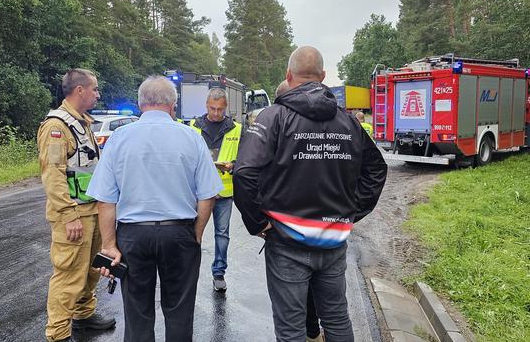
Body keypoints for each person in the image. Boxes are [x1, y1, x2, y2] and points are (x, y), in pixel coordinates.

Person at [233, 46, 388, 342]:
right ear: (323, 77)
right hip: (333, 241)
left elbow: (244, 172)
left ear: (288, 75)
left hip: (286, 241)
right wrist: (351, 212)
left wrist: (258, 223)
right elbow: (377, 169)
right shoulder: (348, 121)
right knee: (337, 318)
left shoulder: (273, 117)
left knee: (292, 329)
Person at [87, 76, 222, 342]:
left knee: (137, 314)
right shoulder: (192, 138)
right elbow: (208, 195)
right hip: (179, 233)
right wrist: (196, 233)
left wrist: (110, 245)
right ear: (173, 105)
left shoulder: (119, 139)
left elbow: (105, 199)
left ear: (140, 104)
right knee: (180, 312)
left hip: (133, 237)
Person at [37, 69, 115, 342]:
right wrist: (68, 214)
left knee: (91, 269)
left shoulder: (81, 123)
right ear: (79, 90)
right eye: (94, 89)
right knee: (69, 274)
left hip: (91, 209)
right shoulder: (56, 127)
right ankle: (57, 334)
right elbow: (53, 175)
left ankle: (84, 315)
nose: (98, 94)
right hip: (74, 213)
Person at [276, 79, 322, 342]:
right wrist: (350, 213)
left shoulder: (278, 125)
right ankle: (313, 332)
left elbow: (252, 176)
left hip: (289, 231)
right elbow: (372, 171)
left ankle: (309, 331)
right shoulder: (333, 123)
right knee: (327, 301)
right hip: (327, 227)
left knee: (290, 305)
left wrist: (261, 222)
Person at [189, 88, 242, 292]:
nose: (216, 113)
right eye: (212, 108)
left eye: (220, 109)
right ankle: (189, 269)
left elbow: (246, 157)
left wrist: (234, 165)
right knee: (192, 232)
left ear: (225, 107)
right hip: (199, 191)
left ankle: (219, 272)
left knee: (222, 234)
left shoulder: (236, 128)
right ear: (206, 105)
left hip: (223, 192)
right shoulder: (193, 127)